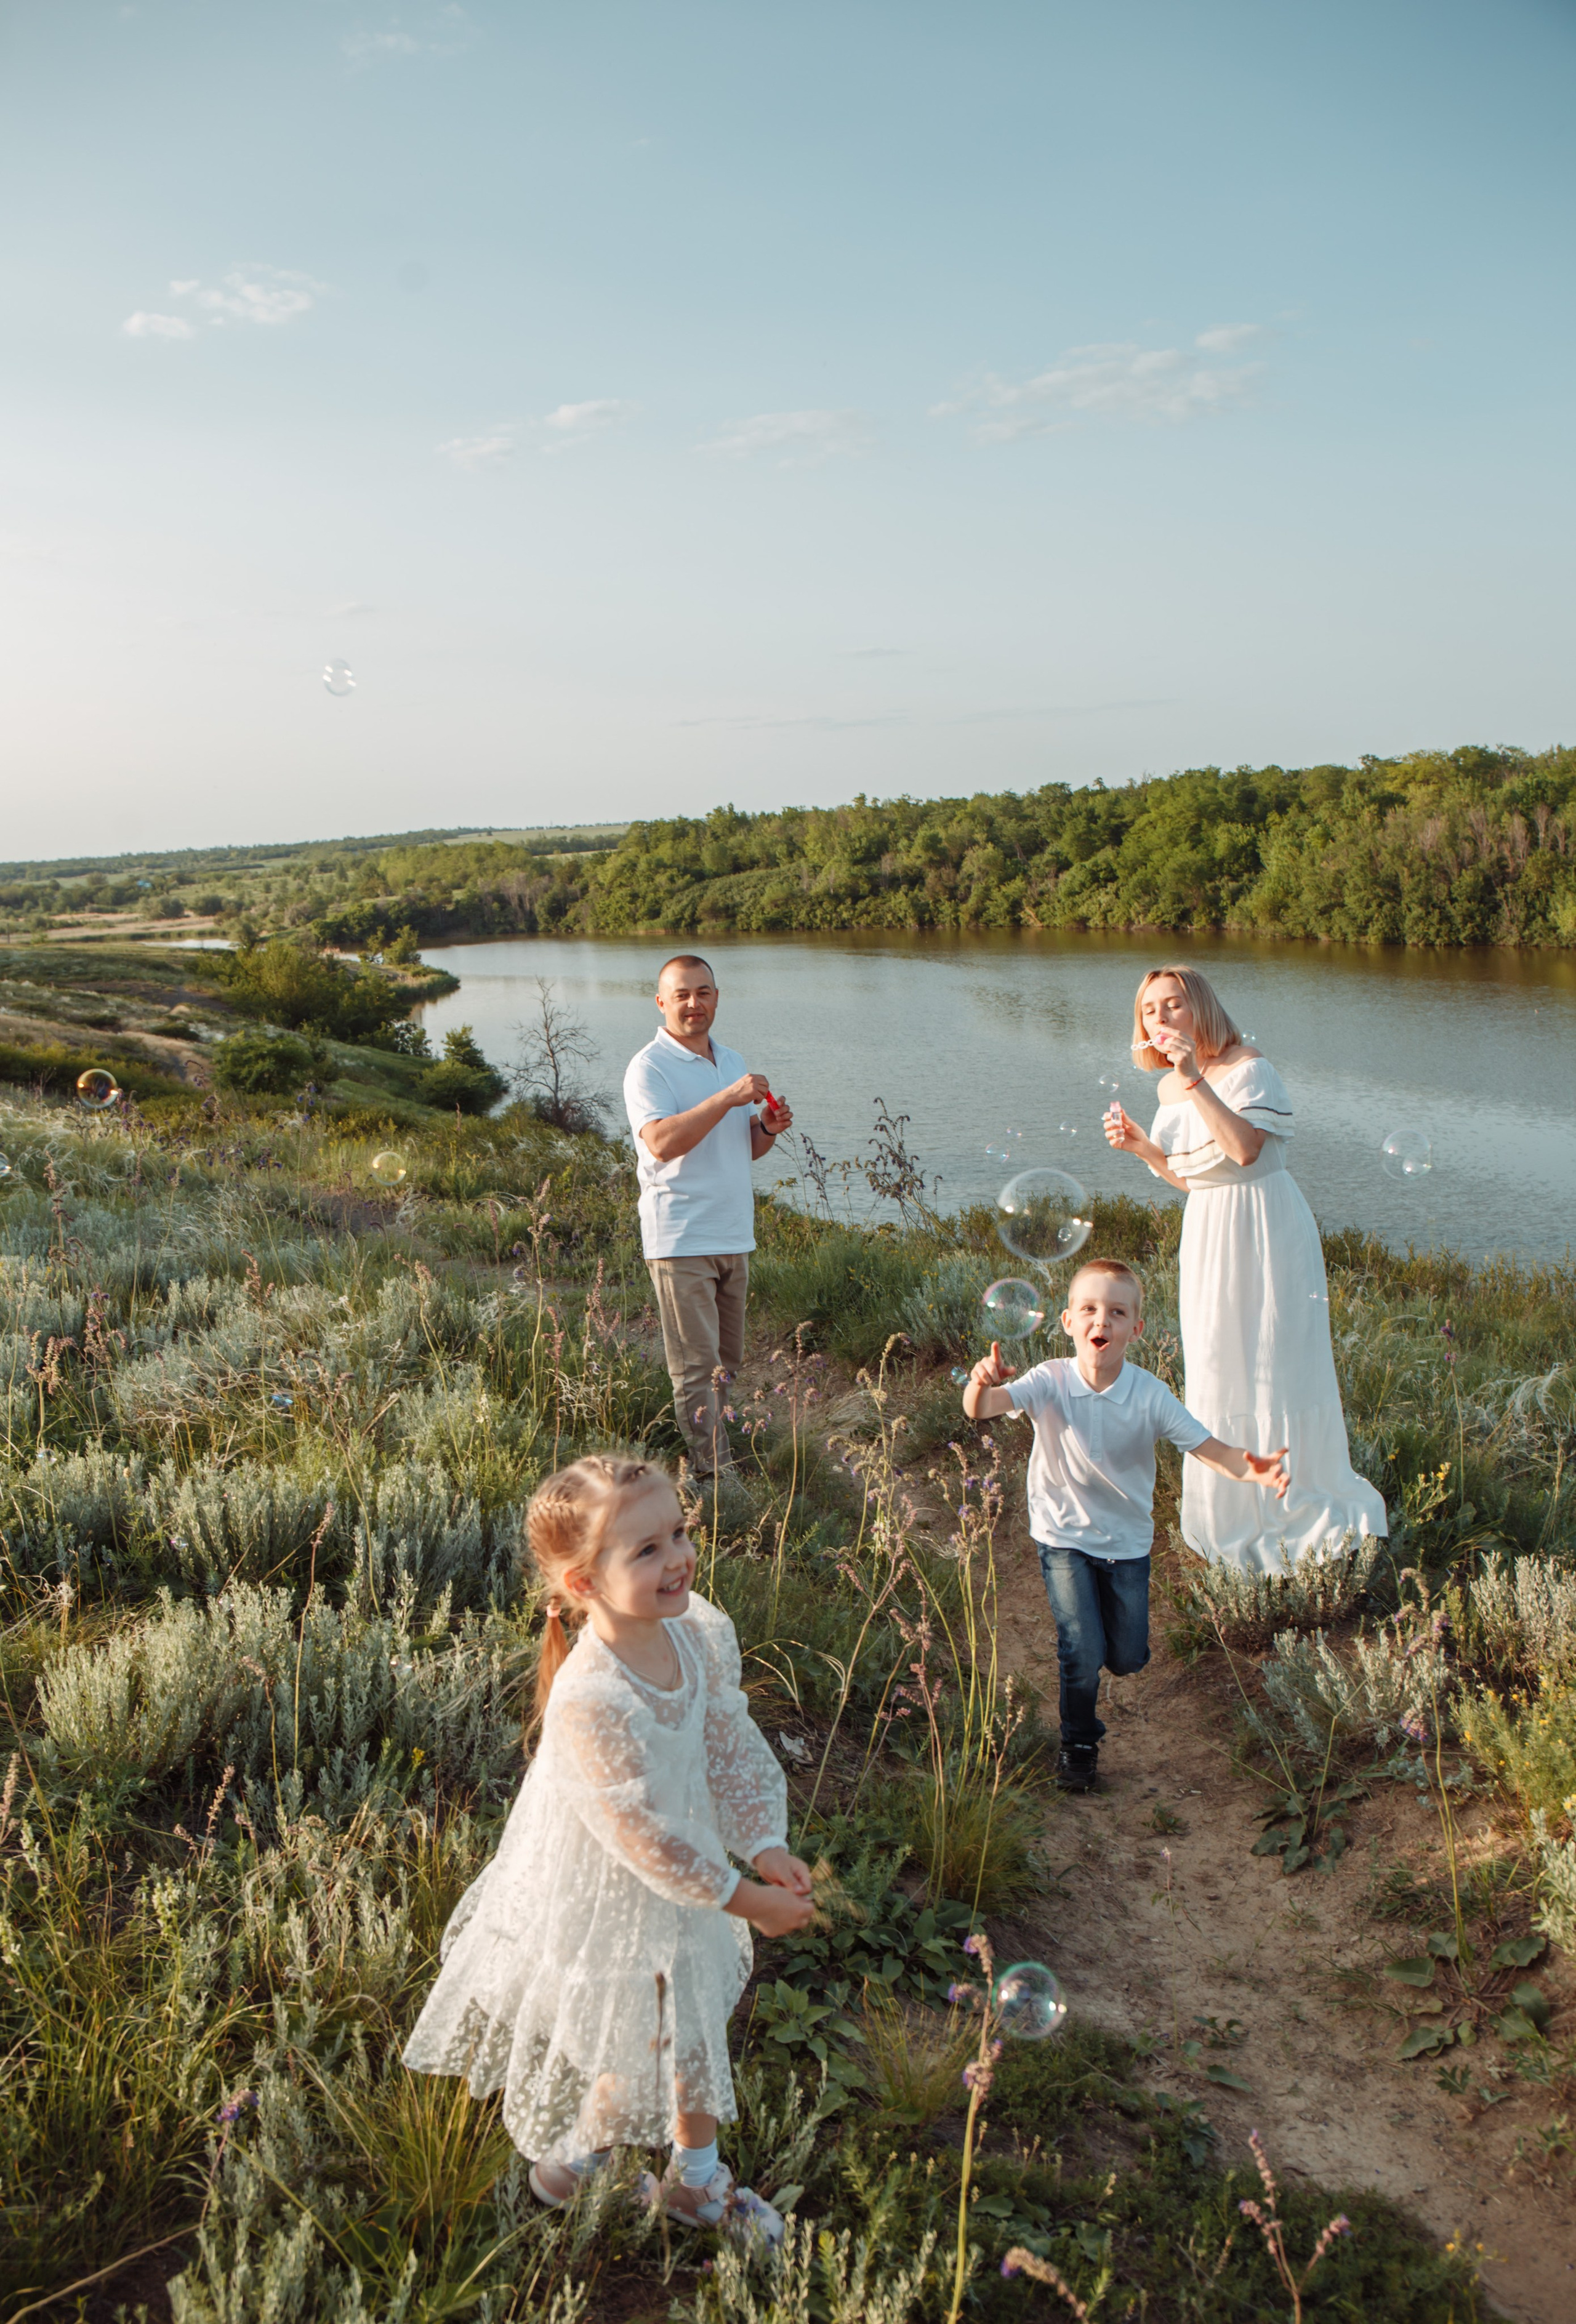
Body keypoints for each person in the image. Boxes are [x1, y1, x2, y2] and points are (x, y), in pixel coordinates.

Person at [402, 1454, 816, 2238]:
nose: (678, 1558)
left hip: (685, 1878)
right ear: (584, 1584)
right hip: (617, 1891)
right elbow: (642, 1838)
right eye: (647, 1549)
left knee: (675, 2024)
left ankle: (631, 2170)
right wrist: (741, 1898)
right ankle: (646, 2175)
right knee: (652, 2027)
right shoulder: (592, 1695)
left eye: (679, 1532)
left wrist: (762, 1845)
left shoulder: (692, 1633)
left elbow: (726, 1739)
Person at [1103, 963, 1388, 1576]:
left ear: (1200, 1007)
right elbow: (1198, 1179)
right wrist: (1142, 1148)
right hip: (1210, 1233)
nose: (1161, 1019)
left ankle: (1289, 1496)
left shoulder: (1247, 1066)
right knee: (1218, 1362)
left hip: (1266, 1227)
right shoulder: (1167, 1091)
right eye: (1150, 1010)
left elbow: (1244, 1150)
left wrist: (1194, 1079)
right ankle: (1232, 1508)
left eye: (1173, 1005)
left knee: (1276, 1359)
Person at [963, 1258, 1289, 1791]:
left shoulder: (1149, 1394)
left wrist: (1256, 1468)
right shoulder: (1049, 1379)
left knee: (1128, 1656)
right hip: (1062, 1533)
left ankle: (1108, 1655)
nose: (1102, 1321)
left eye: (1117, 1312)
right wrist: (980, 1383)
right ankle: (1079, 1744)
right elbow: (982, 1409)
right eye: (1090, 1309)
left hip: (1127, 1542)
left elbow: (1208, 1449)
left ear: (1135, 1329)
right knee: (1082, 1650)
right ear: (1068, 1321)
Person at [623, 956, 792, 1478]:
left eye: (704, 992)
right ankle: (714, 1479)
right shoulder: (647, 1067)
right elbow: (663, 1141)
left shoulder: (731, 1059)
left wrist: (764, 1126)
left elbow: (744, 1149)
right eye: (682, 995)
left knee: (728, 1364)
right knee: (696, 1369)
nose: (694, 1004)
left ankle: (718, 1455)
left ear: (717, 996)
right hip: (680, 1237)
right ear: (662, 1003)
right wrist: (728, 1097)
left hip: (734, 1233)